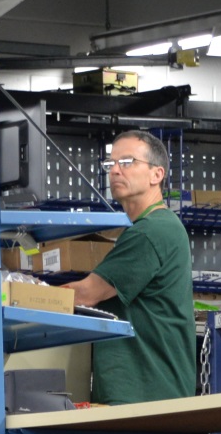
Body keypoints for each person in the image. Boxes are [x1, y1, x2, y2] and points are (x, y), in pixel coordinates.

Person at [59, 129, 197, 404]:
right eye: (111, 164)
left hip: (146, 398)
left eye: (127, 162)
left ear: (156, 174)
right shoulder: (152, 228)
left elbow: (86, 294)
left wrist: (15, 292)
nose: (115, 171)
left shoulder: (152, 231)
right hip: (146, 397)